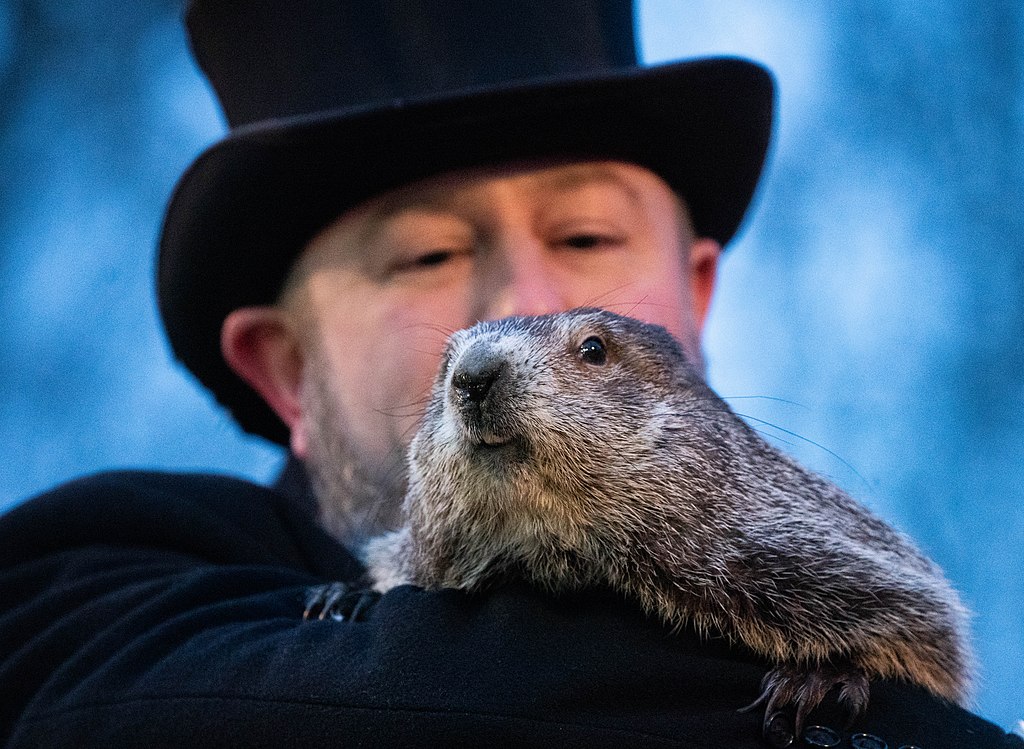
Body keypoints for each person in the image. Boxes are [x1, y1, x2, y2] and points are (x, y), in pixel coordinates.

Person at [0, 0, 1018, 746]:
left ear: (696, 301)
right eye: (426, 256)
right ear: (285, 368)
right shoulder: (99, 572)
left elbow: (910, 628)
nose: (504, 311)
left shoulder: (789, 526)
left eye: (585, 235)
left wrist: (849, 674)